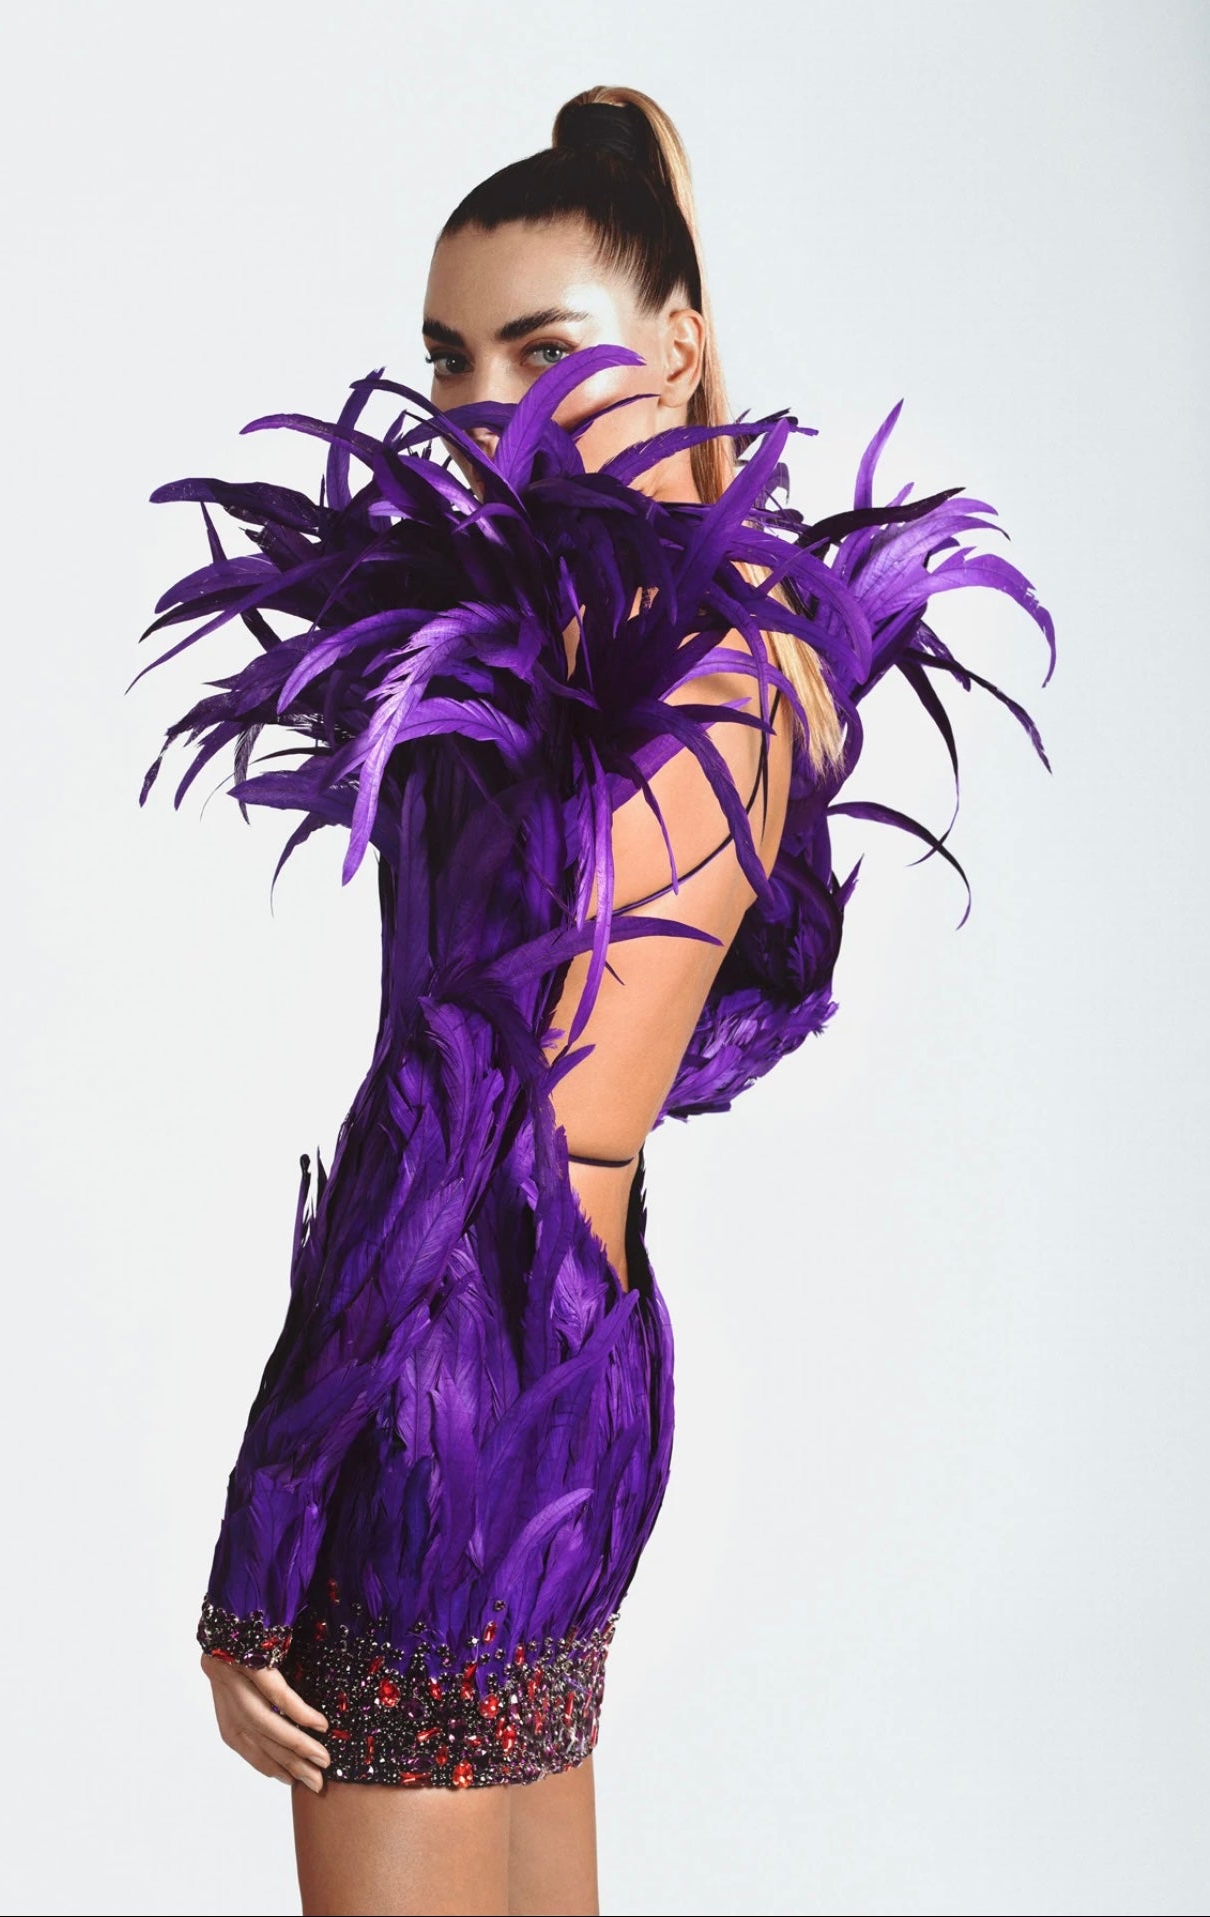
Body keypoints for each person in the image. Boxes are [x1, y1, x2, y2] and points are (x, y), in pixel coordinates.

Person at [135, 83, 1055, 1917]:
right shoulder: (769, 660)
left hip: (445, 1381)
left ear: (679, 345)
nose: (485, 405)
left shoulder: (556, 675)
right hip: (596, 1357)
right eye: (450, 357)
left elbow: (453, 1095)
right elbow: (757, 990)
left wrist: (260, 1543)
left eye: (546, 352)